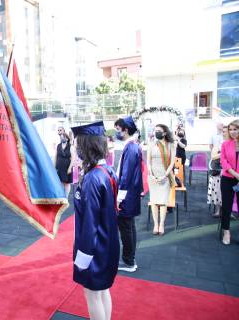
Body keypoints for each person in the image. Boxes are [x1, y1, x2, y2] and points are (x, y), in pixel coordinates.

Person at [71, 121, 119, 320]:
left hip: (95, 247)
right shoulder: (107, 170)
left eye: (77, 145)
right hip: (108, 242)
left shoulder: (92, 178)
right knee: (102, 291)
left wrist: (83, 257)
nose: (75, 149)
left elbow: (90, 224)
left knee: (92, 294)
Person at [114, 116, 142, 273]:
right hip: (130, 194)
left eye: (118, 129)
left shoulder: (131, 147)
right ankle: (130, 259)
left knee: (126, 228)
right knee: (129, 227)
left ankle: (128, 261)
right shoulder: (132, 146)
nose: (117, 132)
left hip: (127, 195)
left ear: (125, 130)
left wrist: (119, 197)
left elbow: (126, 175)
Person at [147, 124, 176, 236]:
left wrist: (165, 175)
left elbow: (172, 162)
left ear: (164, 133)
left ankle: (162, 225)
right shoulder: (151, 144)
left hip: (165, 176)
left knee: (163, 202)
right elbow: (148, 162)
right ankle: (155, 224)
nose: (156, 132)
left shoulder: (171, 145)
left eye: (158, 131)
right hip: (153, 176)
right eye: (155, 130)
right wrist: (151, 174)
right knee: (154, 201)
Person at [220, 119, 239, 245]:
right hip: (228, 179)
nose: (232, 132)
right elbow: (223, 160)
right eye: (230, 129)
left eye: (235, 129)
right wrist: (235, 174)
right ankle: (226, 232)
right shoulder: (225, 144)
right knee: (226, 207)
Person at [208, 126, 229, 217]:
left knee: (227, 193)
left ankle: (228, 212)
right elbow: (213, 156)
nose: (224, 133)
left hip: (228, 172)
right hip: (216, 171)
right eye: (223, 131)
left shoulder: (233, 144)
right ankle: (217, 211)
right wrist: (223, 152)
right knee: (217, 192)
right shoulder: (219, 145)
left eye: (225, 132)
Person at [55, 130, 73, 195]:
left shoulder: (70, 146)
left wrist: (70, 168)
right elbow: (55, 156)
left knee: (67, 183)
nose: (62, 138)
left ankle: (66, 197)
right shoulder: (58, 146)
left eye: (64, 137)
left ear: (67, 138)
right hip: (59, 166)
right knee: (61, 182)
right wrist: (55, 166)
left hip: (67, 167)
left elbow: (73, 158)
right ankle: (62, 196)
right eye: (61, 137)